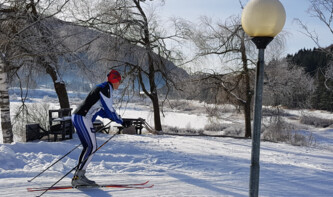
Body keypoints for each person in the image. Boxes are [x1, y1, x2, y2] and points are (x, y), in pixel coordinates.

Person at [71, 69, 124, 187]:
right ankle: (79, 176)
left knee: (89, 147)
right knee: (92, 146)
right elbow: (110, 110)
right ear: (115, 80)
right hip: (82, 117)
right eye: (119, 81)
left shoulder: (103, 87)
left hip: (80, 117)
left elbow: (101, 110)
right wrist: (119, 120)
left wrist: (116, 118)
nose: (119, 84)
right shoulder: (106, 88)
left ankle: (78, 176)